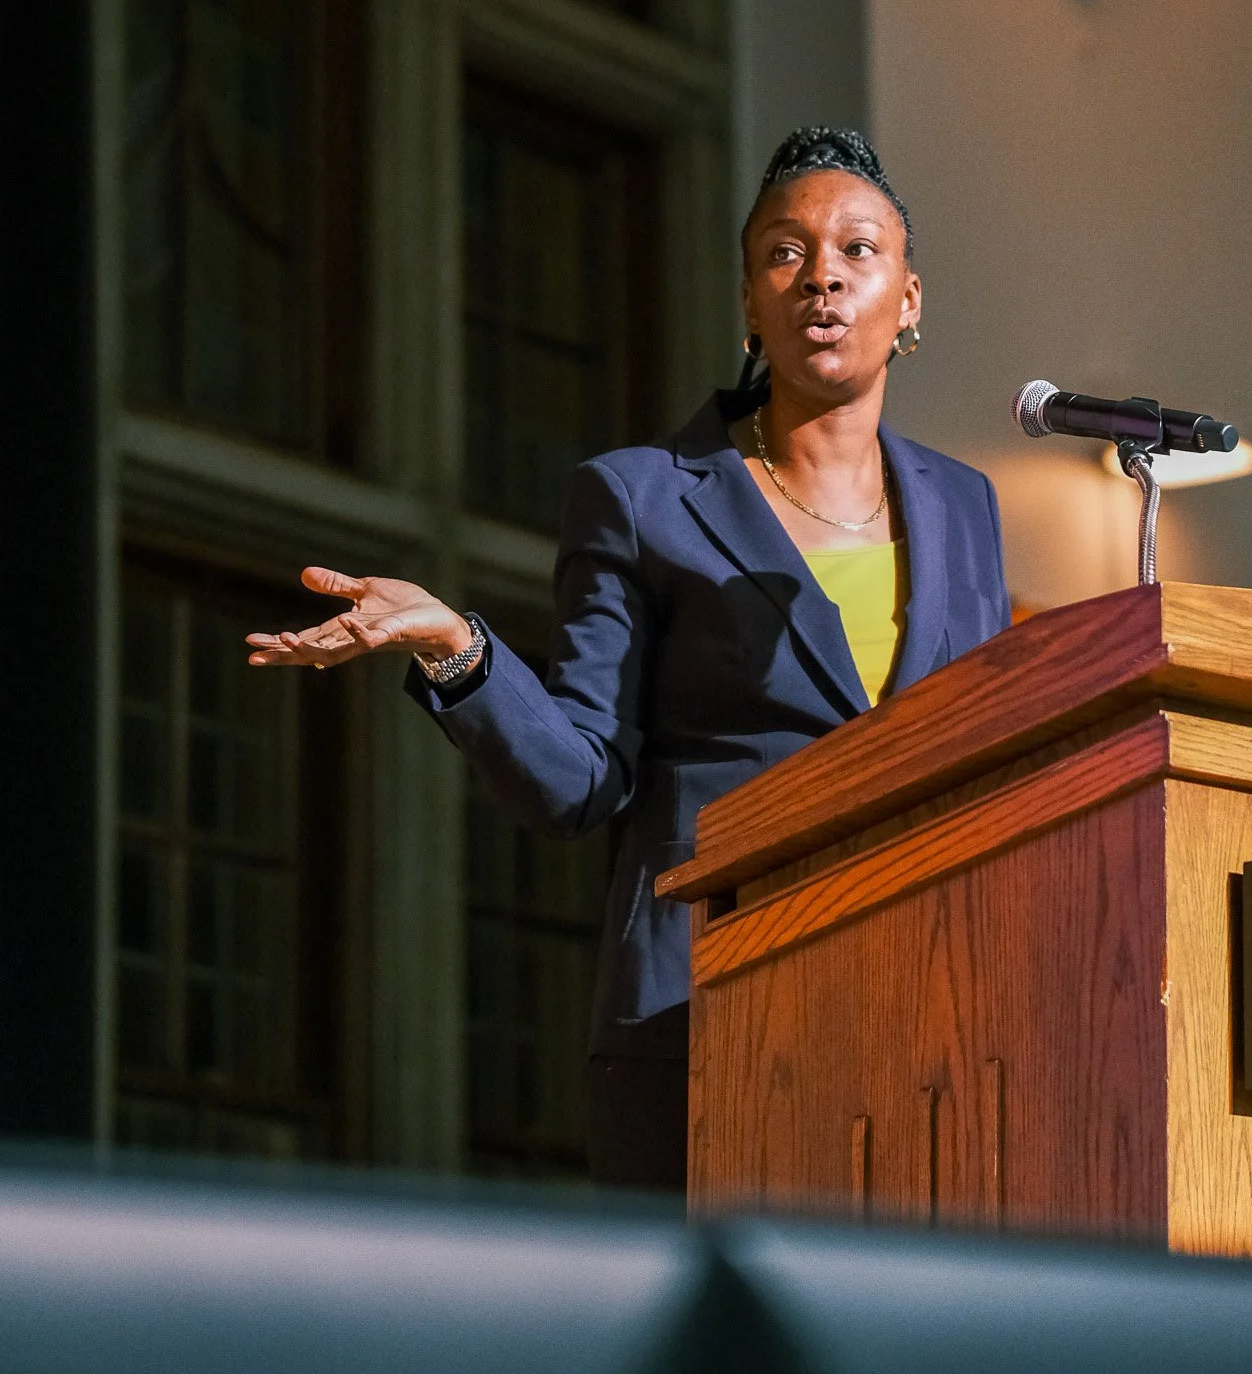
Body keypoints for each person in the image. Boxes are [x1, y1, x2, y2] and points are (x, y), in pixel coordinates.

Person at [246, 126, 1010, 1188]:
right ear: (750, 302)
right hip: (707, 1002)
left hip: (923, 1000)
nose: (822, 273)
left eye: (857, 248)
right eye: (784, 252)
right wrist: (458, 646)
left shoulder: (965, 505)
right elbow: (579, 779)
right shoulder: (642, 495)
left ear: (909, 299)